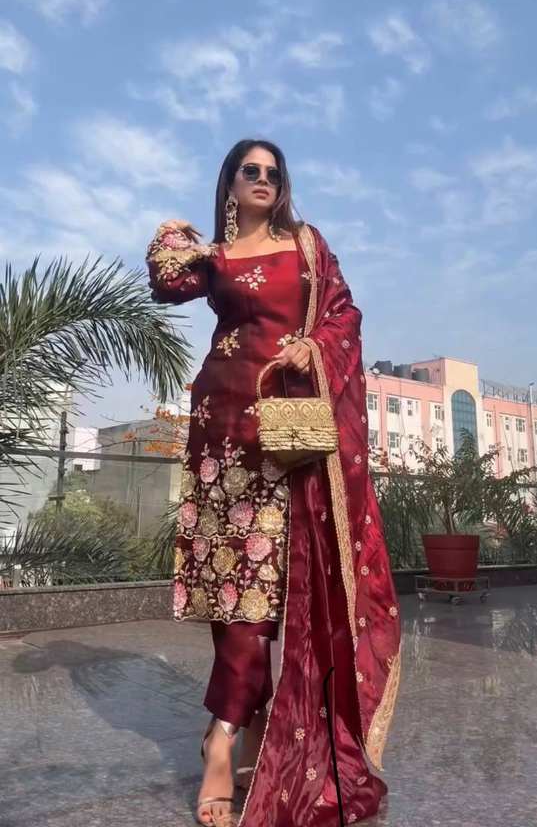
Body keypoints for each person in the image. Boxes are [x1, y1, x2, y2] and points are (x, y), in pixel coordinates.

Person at [146, 139, 402, 827]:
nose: (262, 179)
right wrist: (174, 233)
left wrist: (313, 345)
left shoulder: (308, 245)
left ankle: (234, 730)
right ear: (230, 184)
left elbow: (345, 314)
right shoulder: (216, 258)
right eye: (249, 171)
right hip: (221, 429)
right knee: (235, 589)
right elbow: (166, 283)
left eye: (272, 172)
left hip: (288, 433)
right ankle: (230, 729)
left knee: (274, 590)